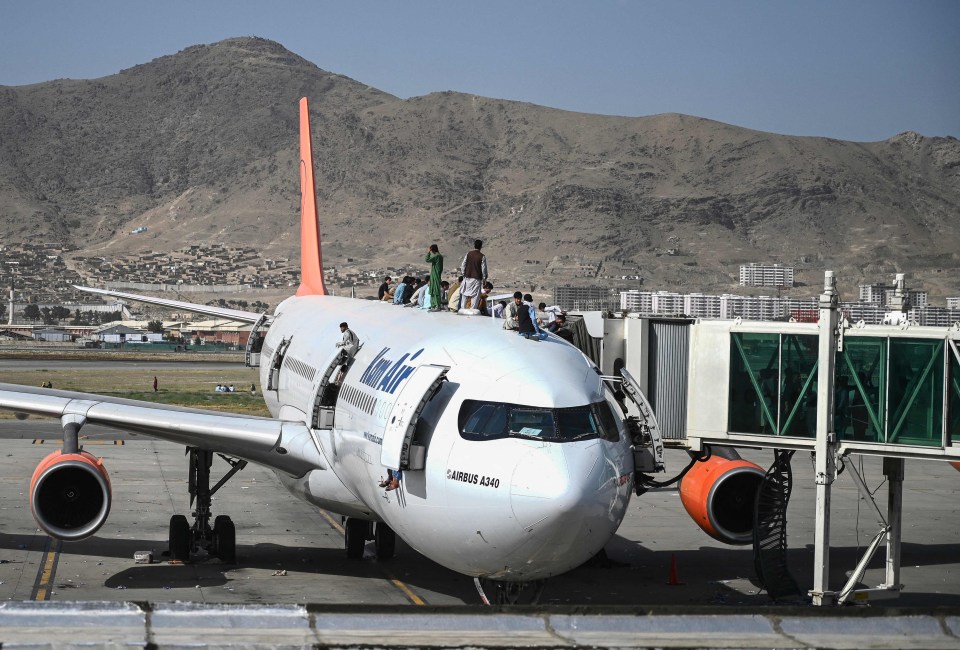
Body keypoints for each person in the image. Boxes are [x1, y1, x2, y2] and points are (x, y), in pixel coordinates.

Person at [458, 240, 488, 310]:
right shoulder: (482, 256)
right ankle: (473, 309)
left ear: (474, 245)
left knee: (465, 293)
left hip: (467, 278)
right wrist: (484, 278)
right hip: (476, 279)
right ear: (481, 246)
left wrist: (463, 274)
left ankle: (462, 308)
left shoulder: (468, 254)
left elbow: (463, 265)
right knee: (475, 296)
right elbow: (484, 269)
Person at [425, 244, 444, 311]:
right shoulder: (439, 256)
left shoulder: (437, 256)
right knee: (433, 289)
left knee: (435, 290)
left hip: (435, 275)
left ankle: (437, 305)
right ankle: (433, 305)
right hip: (434, 275)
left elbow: (427, 259)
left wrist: (428, 252)